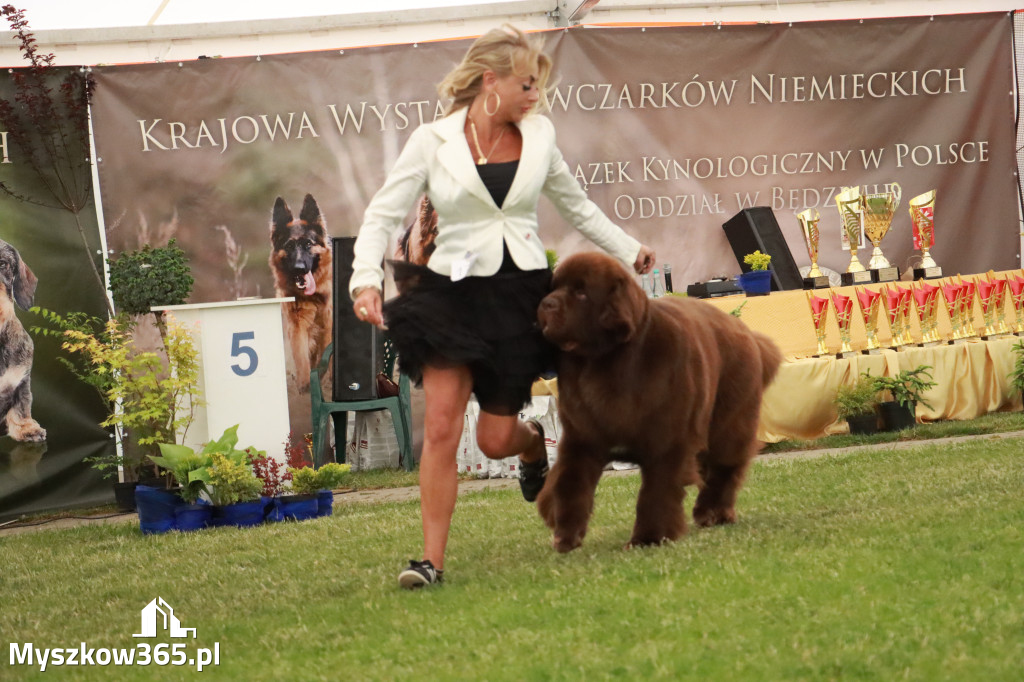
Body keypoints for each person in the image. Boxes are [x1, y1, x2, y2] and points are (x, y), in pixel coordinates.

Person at [349, 25, 655, 589]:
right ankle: (431, 562)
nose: (535, 95)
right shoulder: (431, 141)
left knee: (493, 438)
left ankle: (532, 443)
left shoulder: (540, 136)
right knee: (441, 425)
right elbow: (382, 213)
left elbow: (579, 207)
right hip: (449, 295)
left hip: (517, 295)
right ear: (490, 81)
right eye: (526, 84)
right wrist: (365, 279)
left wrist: (629, 249)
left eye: (537, 86)